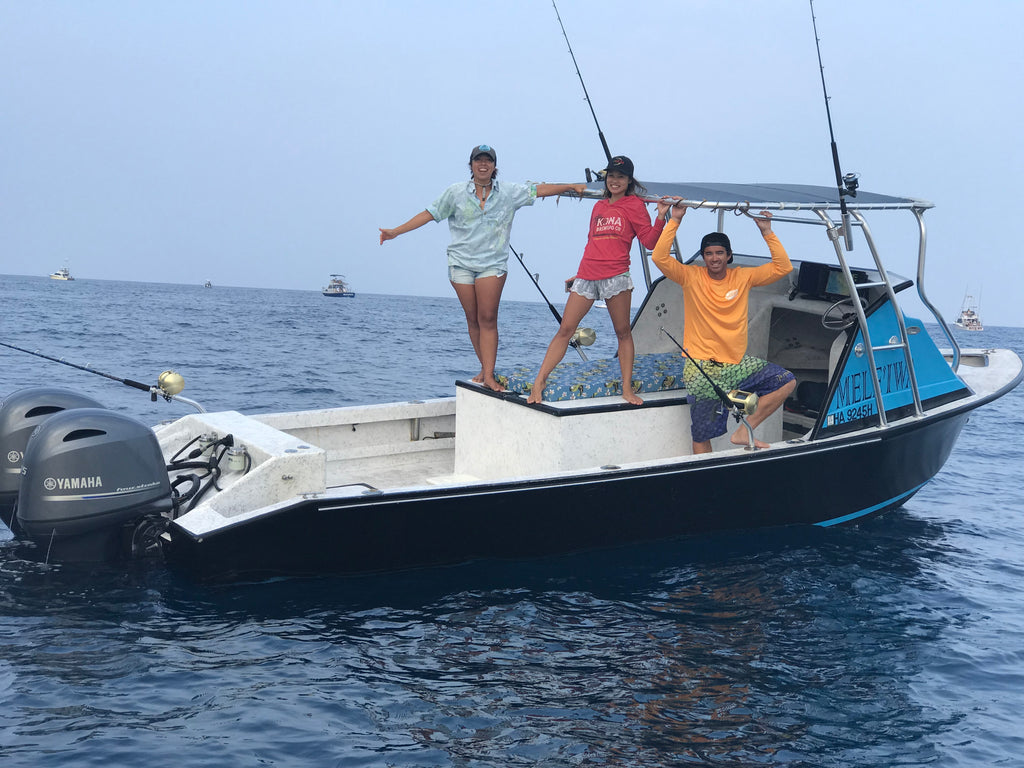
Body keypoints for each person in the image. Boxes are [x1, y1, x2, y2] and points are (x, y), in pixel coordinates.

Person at [379, 145, 585, 392]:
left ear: (494, 166)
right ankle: (485, 368)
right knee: (472, 318)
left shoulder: (509, 192)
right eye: (479, 160)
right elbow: (429, 214)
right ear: (471, 165)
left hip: (492, 264)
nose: (483, 164)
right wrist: (394, 232)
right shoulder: (455, 192)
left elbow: (539, 190)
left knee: (487, 317)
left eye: (488, 160)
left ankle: (488, 375)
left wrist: (571, 186)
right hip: (461, 264)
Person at [651, 202, 797, 453]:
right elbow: (659, 257)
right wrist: (674, 219)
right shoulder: (690, 276)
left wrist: (766, 232)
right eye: (709, 253)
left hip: (736, 364)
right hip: (702, 367)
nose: (714, 258)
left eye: (719, 253)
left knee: (785, 381)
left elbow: (783, 267)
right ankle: (704, 479)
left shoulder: (743, 276)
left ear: (729, 255)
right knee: (701, 433)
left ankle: (743, 431)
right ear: (703, 257)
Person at [527, 156, 670, 405]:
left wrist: (661, 218)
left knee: (623, 332)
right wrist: (579, 272)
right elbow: (593, 242)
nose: (615, 181)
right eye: (611, 176)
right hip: (587, 275)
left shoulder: (635, 205)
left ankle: (626, 388)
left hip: (616, 276)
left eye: (620, 177)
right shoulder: (599, 206)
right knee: (565, 329)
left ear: (629, 181)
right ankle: (539, 381)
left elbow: (649, 242)